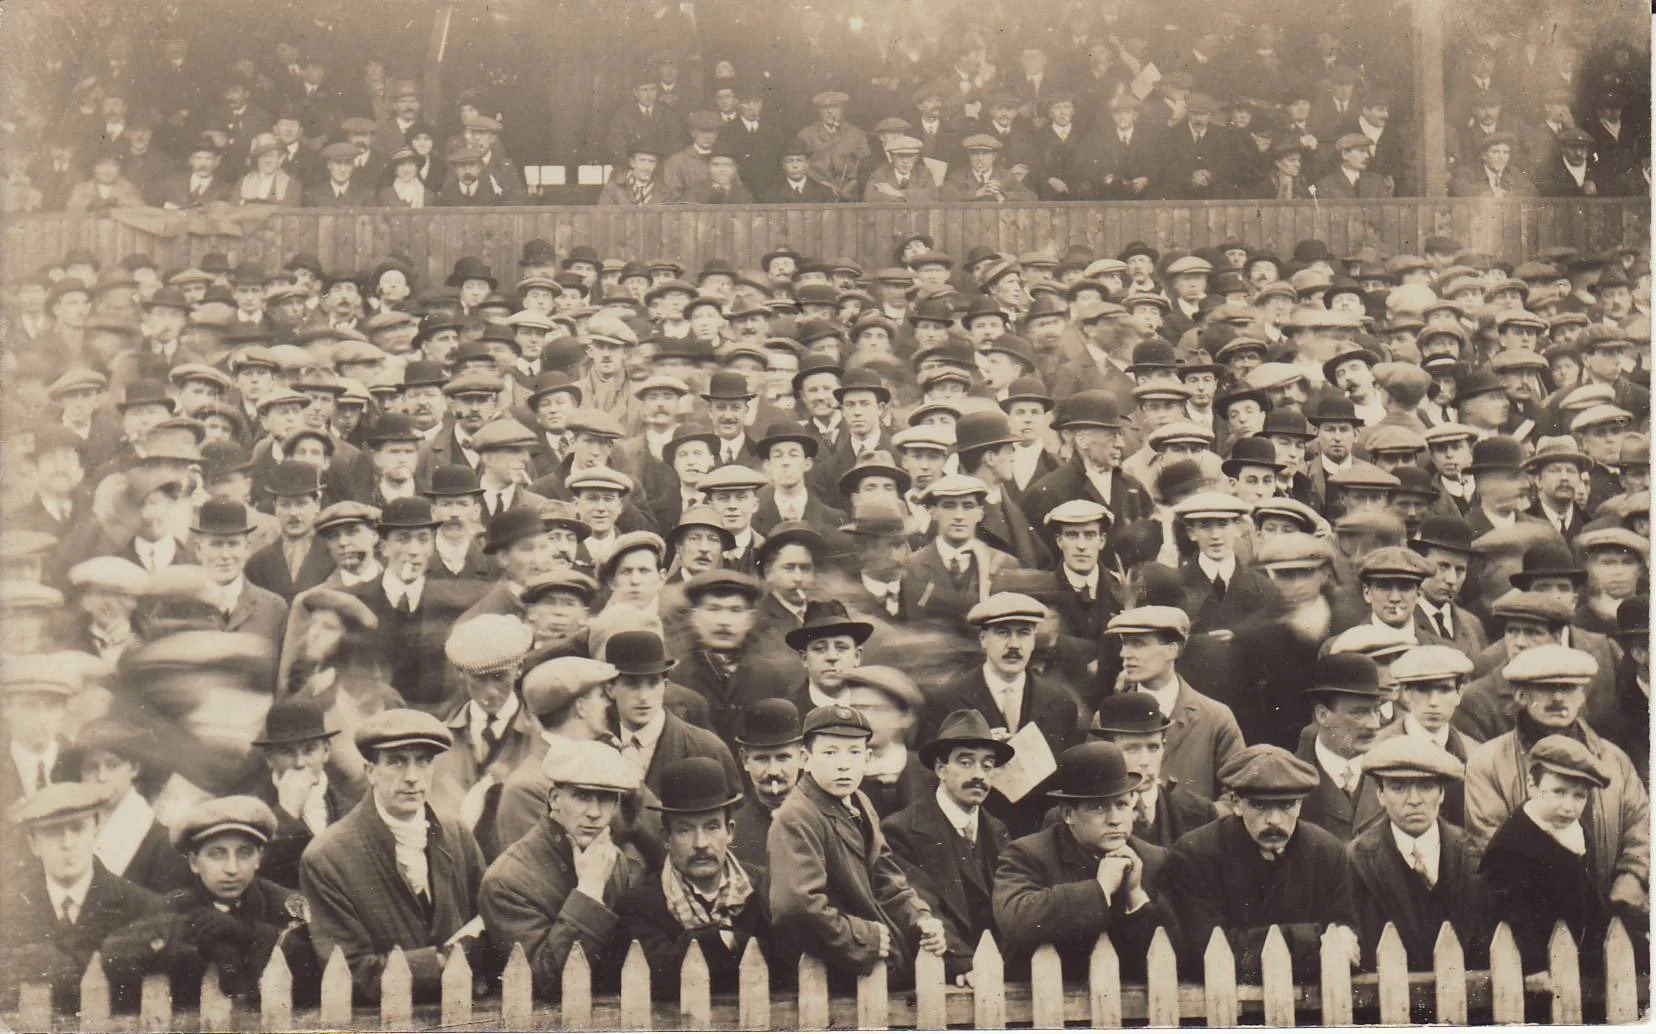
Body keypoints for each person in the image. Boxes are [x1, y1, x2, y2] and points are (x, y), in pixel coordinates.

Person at [298, 709, 490, 1003]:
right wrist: (439, 962)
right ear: (370, 772)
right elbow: (349, 971)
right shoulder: (327, 856)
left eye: (423, 761)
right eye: (396, 762)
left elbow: (488, 919)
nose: (412, 777)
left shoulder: (455, 833)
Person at [767, 704, 946, 989]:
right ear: (805, 759)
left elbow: (886, 878)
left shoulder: (859, 801)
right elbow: (796, 907)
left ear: (867, 758)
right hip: (832, 976)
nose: (843, 764)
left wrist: (919, 917)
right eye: (830, 752)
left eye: (854, 752)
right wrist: (865, 938)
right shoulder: (798, 816)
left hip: (871, 970)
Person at [1463, 645, 1649, 918]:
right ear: (1521, 695)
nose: (1559, 697)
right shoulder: (1488, 762)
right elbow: (1491, 842)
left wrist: (1630, 881)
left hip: (1612, 914)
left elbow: (1641, 827)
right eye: (1546, 688)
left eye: (1569, 688)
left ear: (1583, 694)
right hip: (1529, 915)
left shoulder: (1613, 759)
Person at [1165, 744, 1360, 981]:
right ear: (1236, 803)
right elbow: (1210, 954)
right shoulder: (1195, 854)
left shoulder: (1327, 852)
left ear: (1300, 804)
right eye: (1259, 805)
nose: (1274, 820)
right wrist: (1315, 940)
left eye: (1287, 805)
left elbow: (1348, 948)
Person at [103, 796, 319, 1007]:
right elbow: (115, 959)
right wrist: (182, 934)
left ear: (258, 858)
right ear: (194, 862)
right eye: (217, 854)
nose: (232, 869)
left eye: (244, 853)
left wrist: (248, 934)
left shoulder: (285, 905)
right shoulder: (172, 907)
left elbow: (314, 972)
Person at [994, 740, 1180, 982]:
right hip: (1043, 997)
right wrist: (1100, 889)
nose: (1115, 819)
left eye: (1122, 804)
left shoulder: (1153, 859)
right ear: (1068, 814)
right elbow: (1017, 920)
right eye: (1098, 807)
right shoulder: (1027, 854)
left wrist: (1136, 896)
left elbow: (1176, 955)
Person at [480, 740, 647, 997]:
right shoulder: (507, 879)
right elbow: (547, 980)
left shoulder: (612, 859)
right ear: (555, 799)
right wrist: (589, 891)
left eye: (606, 799)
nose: (594, 813)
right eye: (581, 796)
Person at [926, 592, 1084, 837]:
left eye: (1024, 633)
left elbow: (1068, 781)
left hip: (1039, 836)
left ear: (1034, 640)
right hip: (974, 833)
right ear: (983, 639)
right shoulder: (946, 700)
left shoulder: (1061, 703)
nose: (1014, 645)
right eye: (1002, 633)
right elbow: (932, 777)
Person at [615, 756, 776, 996]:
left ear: (730, 831)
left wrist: (722, 941)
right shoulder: (638, 905)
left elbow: (786, 958)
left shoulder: (764, 887)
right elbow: (660, 974)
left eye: (712, 827)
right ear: (666, 837)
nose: (701, 843)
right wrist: (725, 940)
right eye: (685, 830)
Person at [882, 709, 1012, 986]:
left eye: (987, 765)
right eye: (965, 762)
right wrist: (964, 964)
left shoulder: (998, 831)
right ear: (941, 769)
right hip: (939, 975)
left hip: (995, 975)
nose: (978, 775)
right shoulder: (901, 831)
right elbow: (922, 906)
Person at [1480, 735, 1625, 972]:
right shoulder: (1510, 846)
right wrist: (1533, 968)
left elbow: (1588, 898)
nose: (1569, 807)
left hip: (1575, 961)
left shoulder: (1578, 833)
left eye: (1579, 796)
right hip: (1533, 969)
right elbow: (1511, 916)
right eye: (1558, 792)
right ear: (1532, 785)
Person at [1347, 737, 1490, 969]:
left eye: (1426, 787)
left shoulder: (1472, 854)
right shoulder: (1356, 860)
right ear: (1380, 795)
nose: (1414, 800)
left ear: (1441, 794)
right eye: (1398, 788)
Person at [430, 615, 543, 857]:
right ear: (461, 673)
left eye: (500, 677)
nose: (490, 691)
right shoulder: (437, 740)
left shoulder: (541, 738)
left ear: (519, 668)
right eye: (479, 679)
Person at [1102, 606, 1243, 799]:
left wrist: (1199, 815)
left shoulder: (1215, 717)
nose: (1124, 654)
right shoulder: (1107, 718)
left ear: (1172, 650)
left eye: (1138, 644)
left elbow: (1237, 796)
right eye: (1124, 644)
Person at [1082, 691, 1218, 848]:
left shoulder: (1200, 813)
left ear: (1163, 747)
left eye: (1153, 748)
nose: (1145, 761)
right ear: (1106, 751)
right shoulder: (1081, 817)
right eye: (1132, 749)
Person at [1297, 653, 1387, 842]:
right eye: (1359, 713)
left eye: (1376, 711)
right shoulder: (1292, 779)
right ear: (1323, 715)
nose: (1374, 724)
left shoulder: (1392, 773)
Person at [729, 699, 805, 871]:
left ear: (802, 757)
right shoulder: (733, 832)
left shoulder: (822, 821)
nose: (773, 771)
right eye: (762, 758)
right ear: (745, 759)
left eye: (783, 757)